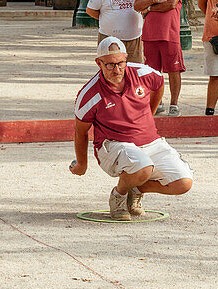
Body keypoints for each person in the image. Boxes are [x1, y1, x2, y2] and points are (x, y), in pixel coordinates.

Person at [71, 36, 193, 220]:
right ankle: (118, 197)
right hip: (113, 145)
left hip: (151, 142)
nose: (117, 70)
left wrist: (150, 113)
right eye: (110, 65)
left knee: (183, 183)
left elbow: (159, 84)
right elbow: (80, 131)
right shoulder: (89, 94)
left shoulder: (142, 73)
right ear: (99, 63)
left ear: (126, 59)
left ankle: (135, 189)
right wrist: (82, 165)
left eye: (121, 63)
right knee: (143, 167)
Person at [134, 0, 185, 116]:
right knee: (152, 72)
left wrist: (147, 9)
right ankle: (157, 103)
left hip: (169, 35)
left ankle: (174, 104)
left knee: (173, 70)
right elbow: (137, 5)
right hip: (149, 35)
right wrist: (154, 0)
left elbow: (171, 4)